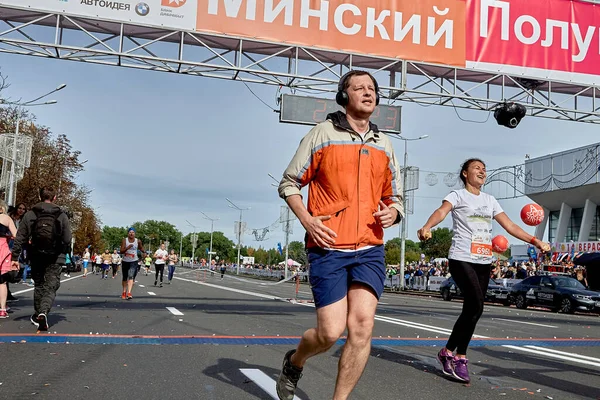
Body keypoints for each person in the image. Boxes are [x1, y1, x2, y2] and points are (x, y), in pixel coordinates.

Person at [276, 70, 404, 400]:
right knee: (330, 332)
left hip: (370, 247)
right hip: (328, 247)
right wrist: (307, 220)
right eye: (358, 87)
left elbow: (396, 198)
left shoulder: (384, 144)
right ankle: (295, 361)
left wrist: (393, 212)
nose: (368, 92)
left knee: (362, 326)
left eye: (372, 88)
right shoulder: (322, 134)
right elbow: (289, 182)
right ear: (343, 96)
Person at [417, 158, 550, 383]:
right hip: (461, 258)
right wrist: (428, 226)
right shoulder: (456, 196)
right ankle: (459, 356)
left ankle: (448, 352)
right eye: (477, 168)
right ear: (465, 174)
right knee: (476, 303)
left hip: (483, 260)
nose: (482, 171)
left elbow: (510, 226)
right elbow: (441, 211)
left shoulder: (490, 200)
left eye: (484, 169)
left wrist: (535, 241)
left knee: (474, 310)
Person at [10, 187, 72, 331]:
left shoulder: (31, 214)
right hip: (56, 256)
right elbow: (67, 238)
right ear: (55, 197)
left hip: (36, 254)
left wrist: (15, 257)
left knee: (39, 284)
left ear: (40, 196)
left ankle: (38, 313)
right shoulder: (61, 215)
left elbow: (20, 237)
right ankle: (43, 312)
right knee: (51, 285)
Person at [0, 199, 18, 318]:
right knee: (2, 281)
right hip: (2, 249)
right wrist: (9, 236)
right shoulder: (6, 218)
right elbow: (16, 235)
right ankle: (2, 309)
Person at [120, 228, 144, 300]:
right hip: (125, 260)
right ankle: (124, 291)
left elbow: (140, 248)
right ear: (128, 233)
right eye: (130, 232)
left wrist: (144, 252)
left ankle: (129, 292)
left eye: (133, 232)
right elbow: (121, 251)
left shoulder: (138, 241)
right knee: (125, 277)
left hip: (134, 261)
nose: (131, 234)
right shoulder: (125, 240)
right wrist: (127, 247)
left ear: (135, 234)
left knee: (131, 276)